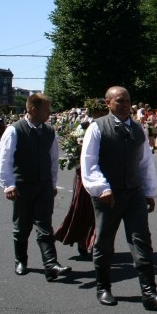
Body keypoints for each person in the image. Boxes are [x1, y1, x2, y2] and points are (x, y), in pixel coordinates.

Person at [81, 86, 157, 309]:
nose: (126, 105)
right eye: (120, 101)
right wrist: (102, 188)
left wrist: (149, 191)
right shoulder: (97, 127)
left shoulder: (138, 128)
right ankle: (103, 287)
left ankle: (149, 292)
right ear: (108, 103)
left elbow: (145, 162)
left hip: (133, 193)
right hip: (107, 195)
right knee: (104, 241)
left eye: (128, 100)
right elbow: (89, 163)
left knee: (141, 241)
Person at [0, 93, 72, 281]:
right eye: (47, 109)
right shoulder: (15, 130)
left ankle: (51, 264)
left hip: (43, 185)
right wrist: (8, 184)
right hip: (22, 185)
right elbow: (3, 159)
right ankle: (20, 260)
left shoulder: (49, 131)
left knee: (44, 225)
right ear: (33, 110)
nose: (49, 113)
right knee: (21, 226)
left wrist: (53, 183)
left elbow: (53, 159)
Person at [54, 99, 109, 258]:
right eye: (99, 113)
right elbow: (76, 149)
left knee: (102, 212)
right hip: (85, 175)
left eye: (103, 112)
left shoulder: (108, 126)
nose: (101, 115)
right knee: (83, 208)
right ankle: (83, 241)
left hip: (104, 173)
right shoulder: (84, 126)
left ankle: (96, 242)